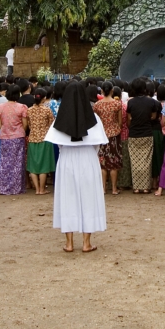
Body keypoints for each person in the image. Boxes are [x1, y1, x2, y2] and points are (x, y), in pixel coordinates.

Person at [44, 81, 107, 253]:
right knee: (89, 198)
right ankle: (86, 243)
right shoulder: (95, 119)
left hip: (67, 159)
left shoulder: (59, 120)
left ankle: (69, 243)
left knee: (67, 198)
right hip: (88, 158)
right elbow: (98, 144)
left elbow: (59, 144)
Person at [0, 85, 29, 195]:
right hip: (18, 137)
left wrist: (6, 130)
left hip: (5, 137)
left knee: (4, 162)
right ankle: (17, 187)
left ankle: (4, 186)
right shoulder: (22, 107)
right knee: (18, 162)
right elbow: (25, 124)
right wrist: (19, 131)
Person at [126, 78, 158, 194]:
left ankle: (136, 187)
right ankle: (145, 187)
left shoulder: (130, 102)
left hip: (134, 134)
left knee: (135, 161)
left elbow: (128, 120)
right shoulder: (151, 102)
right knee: (146, 161)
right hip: (147, 133)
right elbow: (153, 117)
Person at [93, 81, 122, 195]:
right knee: (114, 162)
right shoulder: (117, 104)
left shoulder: (97, 105)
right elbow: (120, 122)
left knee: (103, 162)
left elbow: (95, 122)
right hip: (114, 135)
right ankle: (114, 189)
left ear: (101, 91)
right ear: (112, 91)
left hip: (101, 135)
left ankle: (103, 188)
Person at [26, 87, 56, 195]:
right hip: (45, 139)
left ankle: (37, 188)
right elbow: (51, 124)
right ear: (44, 98)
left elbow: (29, 124)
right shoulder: (47, 110)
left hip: (32, 138)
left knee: (33, 165)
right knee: (44, 165)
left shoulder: (29, 110)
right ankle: (42, 189)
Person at [150, 82, 165, 188]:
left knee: (153, 157)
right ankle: (161, 180)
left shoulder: (155, 103)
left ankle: (154, 181)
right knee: (160, 157)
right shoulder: (161, 104)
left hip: (152, 131)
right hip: (161, 132)